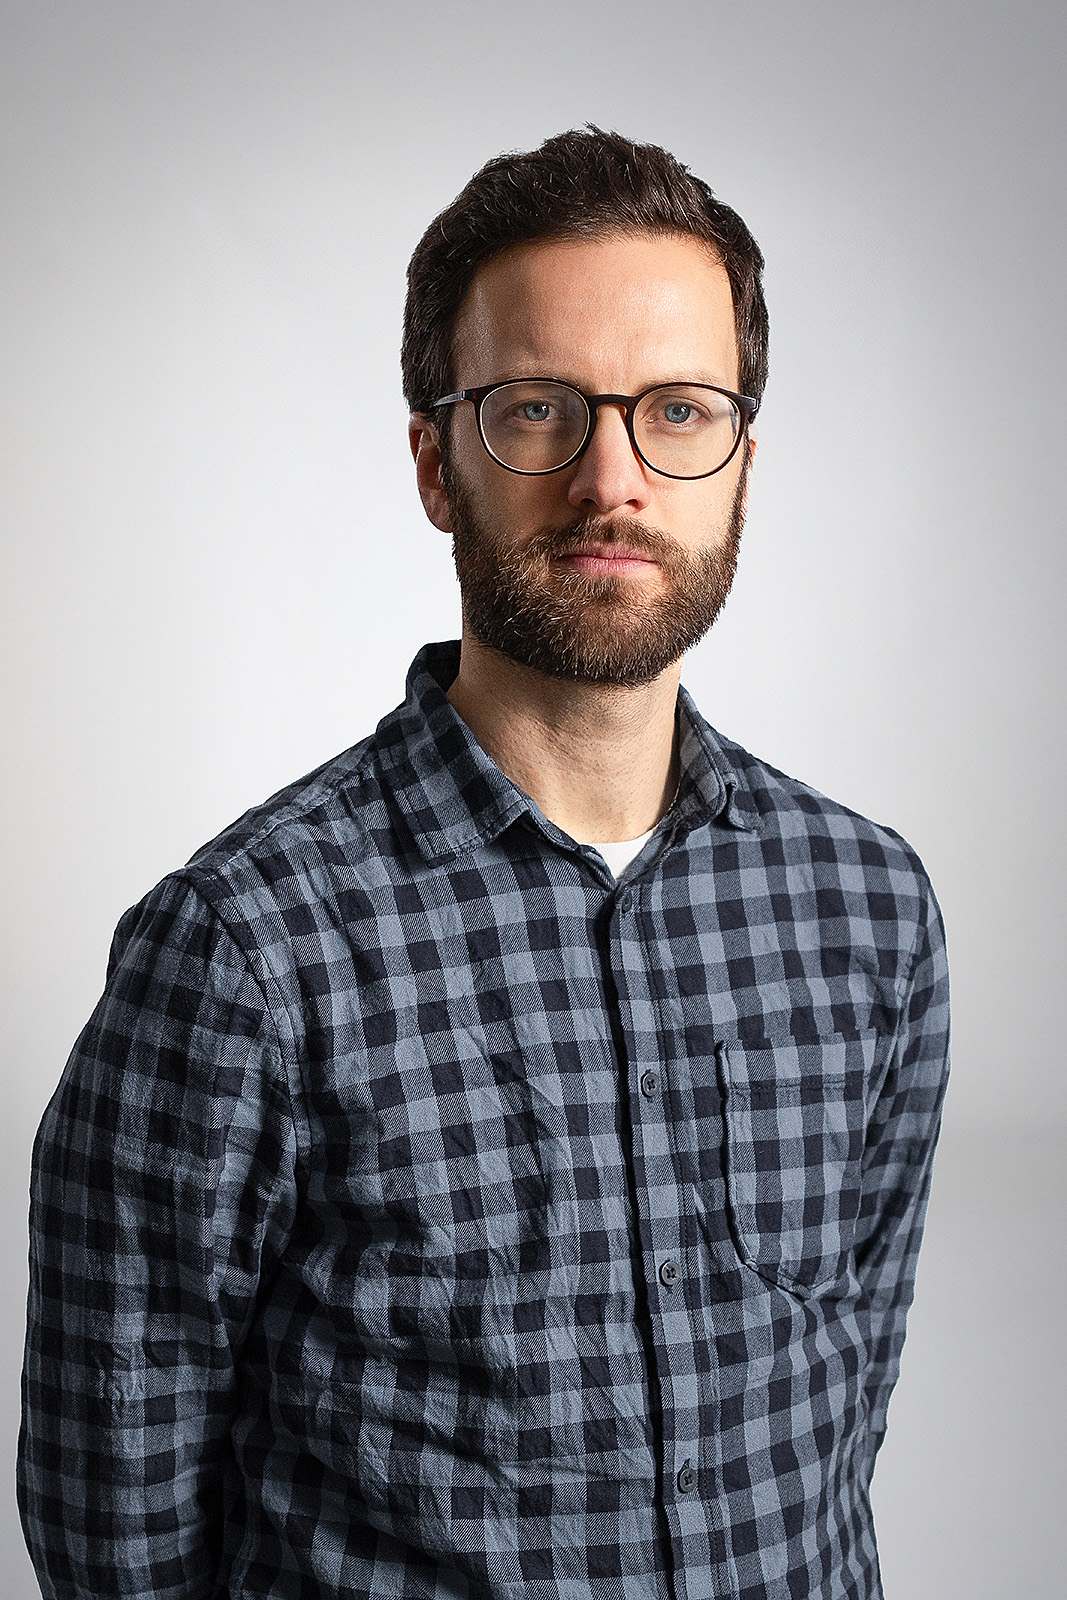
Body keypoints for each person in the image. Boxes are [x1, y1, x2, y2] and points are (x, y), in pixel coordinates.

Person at [19, 128, 949, 1600]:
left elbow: (842, 1418)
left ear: (742, 465)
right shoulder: (240, 953)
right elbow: (111, 1519)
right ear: (436, 465)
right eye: (536, 410)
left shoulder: (871, 912)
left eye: (679, 411)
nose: (612, 479)